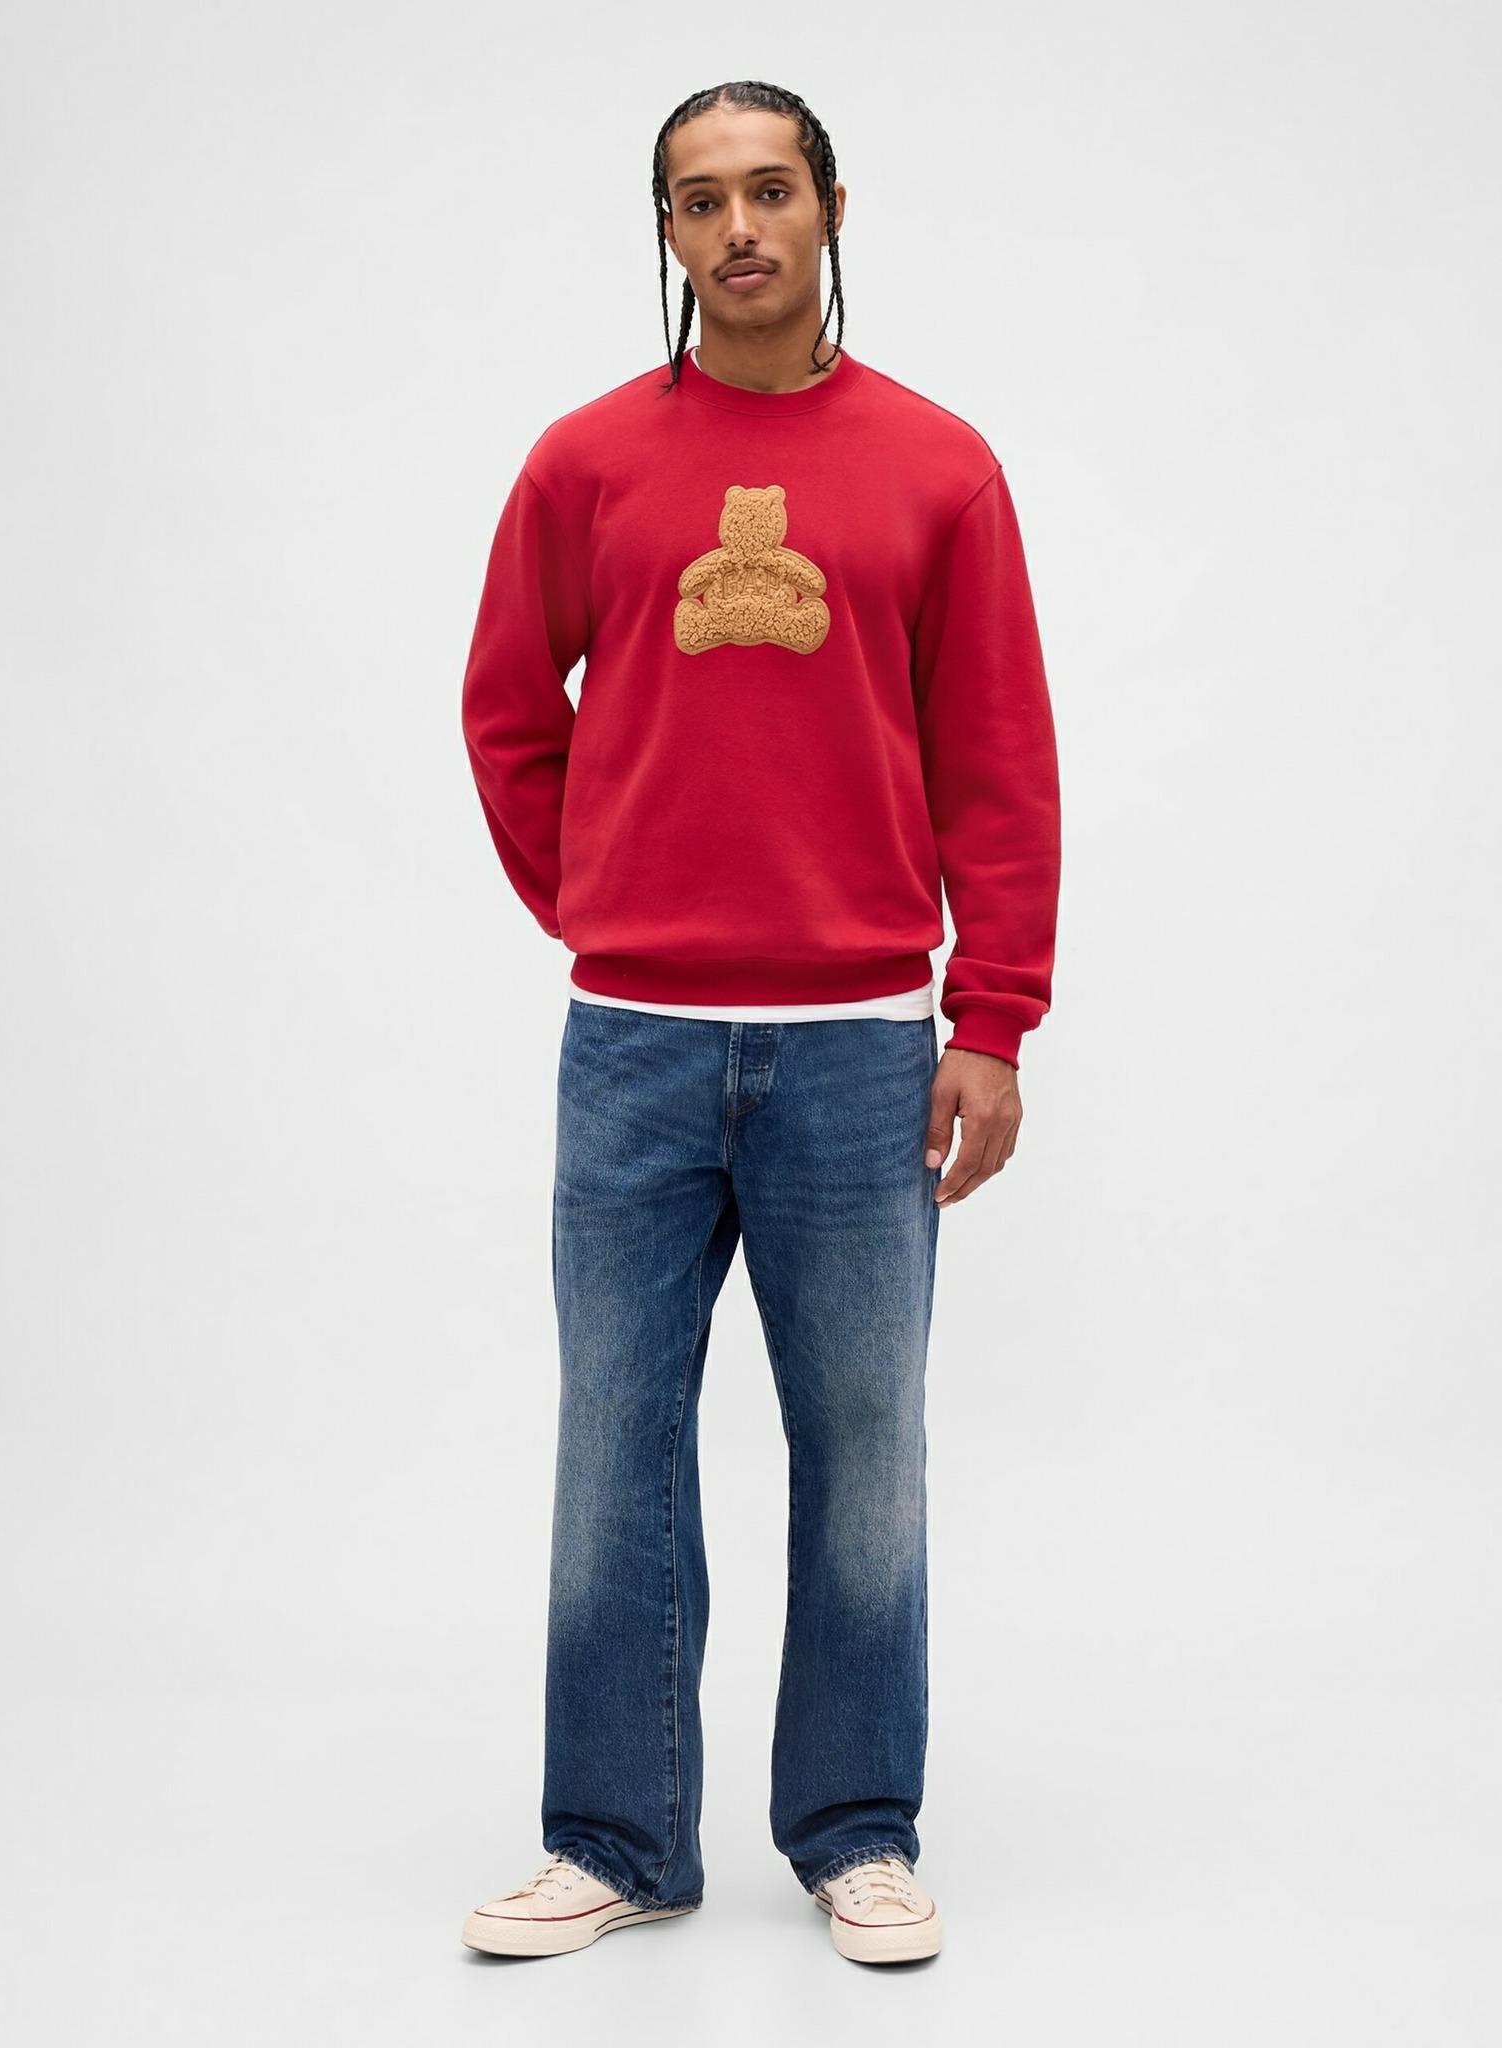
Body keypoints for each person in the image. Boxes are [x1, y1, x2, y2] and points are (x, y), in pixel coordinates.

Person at [456, 78, 1061, 1967]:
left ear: (831, 209)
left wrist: (993, 1017)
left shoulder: (940, 470)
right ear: (666, 231)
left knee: (865, 1448)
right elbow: (506, 710)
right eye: (701, 199)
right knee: (615, 1444)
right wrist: (601, 900)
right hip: (634, 1041)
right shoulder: (585, 465)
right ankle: (617, 1837)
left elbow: (998, 763)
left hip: (864, 1044)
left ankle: (858, 1830)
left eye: (771, 190)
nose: (739, 228)